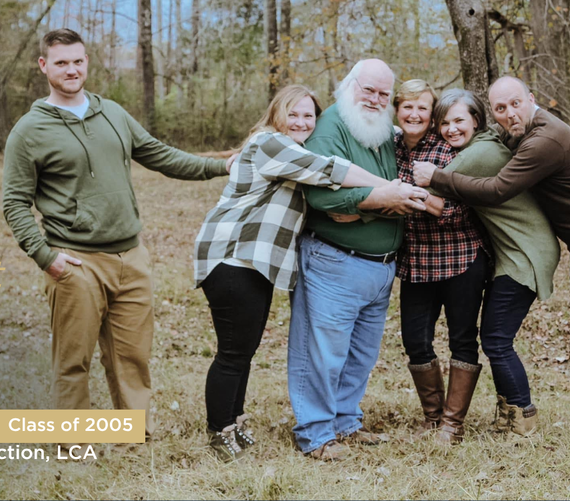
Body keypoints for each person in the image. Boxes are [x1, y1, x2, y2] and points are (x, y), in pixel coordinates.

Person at [1, 29, 233, 438]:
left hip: (132, 257)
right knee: (74, 362)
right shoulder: (29, 130)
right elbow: (14, 203)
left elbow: (161, 156)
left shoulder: (112, 112)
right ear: (43, 66)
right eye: (61, 62)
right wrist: (45, 256)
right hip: (76, 261)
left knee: (133, 357)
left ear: (87, 61)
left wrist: (222, 166)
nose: (72, 70)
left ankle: (132, 436)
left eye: (78, 61)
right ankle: (73, 445)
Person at [413, 76, 570, 466]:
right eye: (500, 108)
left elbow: (497, 190)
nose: (509, 114)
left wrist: (435, 177)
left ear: (531, 99)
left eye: (515, 104)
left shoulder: (545, 138)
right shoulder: (514, 135)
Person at [193, 84, 426, 460]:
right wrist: (390, 188)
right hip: (233, 258)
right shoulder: (270, 144)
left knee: (245, 350)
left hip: (258, 264)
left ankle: (234, 425)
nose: (301, 122)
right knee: (233, 353)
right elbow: (330, 169)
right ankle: (221, 435)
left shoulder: (292, 149)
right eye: (294, 114)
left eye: (308, 116)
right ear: (276, 114)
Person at [288, 59, 428, 460]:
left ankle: (345, 422)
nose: (376, 99)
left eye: (384, 93)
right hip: (334, 260)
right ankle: (314, 434)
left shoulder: (382, 130)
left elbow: (395, 191)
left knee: (360, 355)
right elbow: (320, 194)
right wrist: (379, 203)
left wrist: (369, 207)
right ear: (349, 85)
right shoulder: (331, 125)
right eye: (369, 89)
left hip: (381, 266)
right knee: (322, 352)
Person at [417, 89, 559, 444]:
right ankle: (509, 414)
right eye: (444, 123)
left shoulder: (477, 154)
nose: (450, 130)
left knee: (497, 339)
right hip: (514, 250)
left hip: (524, 252)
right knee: (495, 336)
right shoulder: (484, 145)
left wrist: (419, 173)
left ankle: (522, 418)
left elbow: (427, 186)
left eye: (458, 121)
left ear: (476, 121)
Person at [385, 80, 491, 440]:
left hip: (460, 258)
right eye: (407, 107)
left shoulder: (448, 151)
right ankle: (432, 417)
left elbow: (463, 211)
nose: (414, 114)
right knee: (415, 340)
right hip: (415, 262)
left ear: (432, 116)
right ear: (397, 111)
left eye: (422, 108)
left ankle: (452, 424)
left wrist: (416, 197)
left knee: (462, 338)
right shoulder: (391, 147)